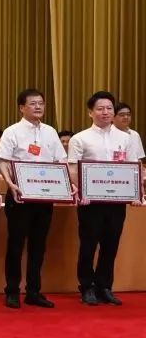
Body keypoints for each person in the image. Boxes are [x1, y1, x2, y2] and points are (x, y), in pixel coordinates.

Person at [67, 91, 144, 306]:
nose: (105, 112)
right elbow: (73, 168)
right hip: (90, 202)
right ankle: (87, 286)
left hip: (116, 201)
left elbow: (134, 167)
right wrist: (81, 191)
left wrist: (136, 192)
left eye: (109, 108)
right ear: (90, 112)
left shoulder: (126, 138)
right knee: (88, 244)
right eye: (100, 108)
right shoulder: (80, 138)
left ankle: (105, 286)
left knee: (111, 244)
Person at [0, 89, 67, 309]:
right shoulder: (12, 132)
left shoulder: (50, 132)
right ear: (21, 108)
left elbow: (60, 162)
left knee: (39, 245)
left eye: (41, 103)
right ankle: (12, 290)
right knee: (16, 244)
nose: (38, 107)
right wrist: (10, 184)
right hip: (19, 196)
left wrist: (65, 185)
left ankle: (33, 291)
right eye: (33, 103)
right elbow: (4, 162)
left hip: (44, 197)